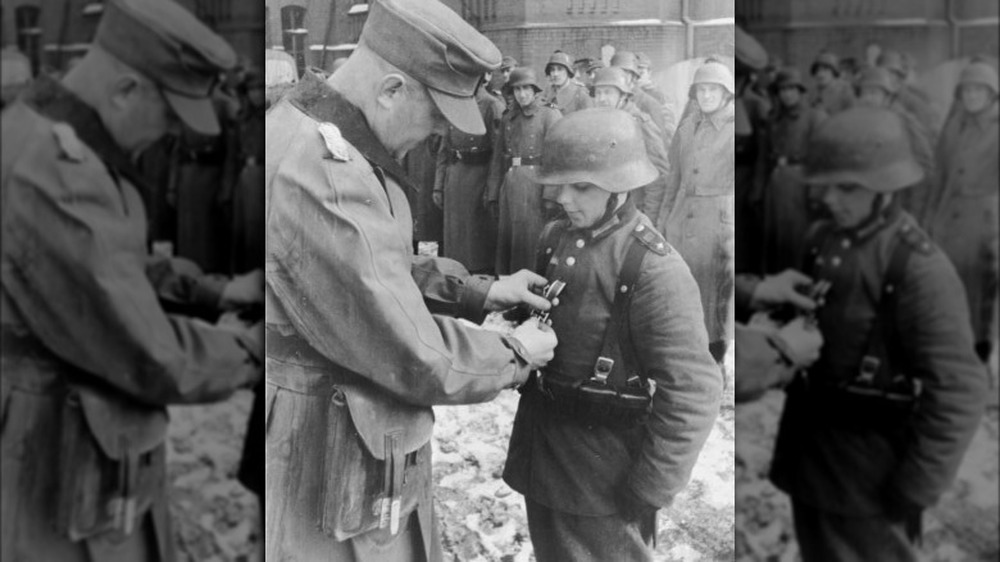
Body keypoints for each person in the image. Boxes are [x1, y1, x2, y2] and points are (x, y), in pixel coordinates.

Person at [263, 1, 559, 560]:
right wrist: (517, 351)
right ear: (392, 89)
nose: (434, 138)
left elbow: (364, 267)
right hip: (322, 444)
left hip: (333, 424)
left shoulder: (312, 132)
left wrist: (478, 290)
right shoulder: (326, 171)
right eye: (435, 119)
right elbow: (415, 352)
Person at [0, 0, 264, 560]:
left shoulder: (37, 133)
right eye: (169, 116)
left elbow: (94, 268)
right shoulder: (58, 172)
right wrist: (255, 348)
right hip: (51, 452)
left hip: (61, 434)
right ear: (124, 90)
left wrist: (212, 290)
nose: (169, 135)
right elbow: (151, 353)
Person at [768, 107, 988, 561]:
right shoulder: (822, 239)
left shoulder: (919, 269)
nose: (830, 198)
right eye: (824, 184)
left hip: (870, 477)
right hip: (811, 454)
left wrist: (917, 486)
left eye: (848, 187)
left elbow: (960, 389)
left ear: (887, 188)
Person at [505, 108, 723, 562]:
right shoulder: (555, 238)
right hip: (543, 454)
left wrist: (652, 486)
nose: (564, 197)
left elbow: (694, 390)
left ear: (622, 186)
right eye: (560, 183)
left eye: (582, 186)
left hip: (604, 480)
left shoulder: (653, 268)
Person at [656, 60, 736, 364]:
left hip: (719, 225)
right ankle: (686, 364)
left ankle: (714, 366)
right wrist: (663, 223)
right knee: (682, 294)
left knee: (715, 300)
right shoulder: (687, 127)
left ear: (726, 93)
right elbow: (672, 180)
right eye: (701, 90)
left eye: (713, 89)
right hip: (682, 220)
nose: (706, 95)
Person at [925, 61, 998, 363]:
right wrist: (930, 218)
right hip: (949, 216)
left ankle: (979, 350)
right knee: (947, 282)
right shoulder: (954, 125)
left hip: (985, 220)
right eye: (967, 90)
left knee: (980, 289)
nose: (972, 96)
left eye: (979, 90)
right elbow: (940, 174)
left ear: (992, 93)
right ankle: (951, 346)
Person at [486, 67, 562, 274]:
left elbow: (555, 158)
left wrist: (551, 195)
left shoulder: (549, 115)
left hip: (535, 188)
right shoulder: (508, 118)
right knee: (509, 243)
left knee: (530, 243)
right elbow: (498, 158)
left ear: (535, 90)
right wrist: (493, 193)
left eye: (526, 88)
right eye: (517, 89)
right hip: (510, 186)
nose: (522, 94)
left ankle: (530, 292)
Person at [433, 73, 506, 274]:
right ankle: (456, 279)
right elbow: (443, 149)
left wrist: (491, 190)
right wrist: (438, 185)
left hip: (478, 179)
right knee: (455, 240)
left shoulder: (492, 106)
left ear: (481, 78)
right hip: (454, 178)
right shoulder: (454, 103)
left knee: (477, 244)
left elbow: (498, 154)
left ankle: (479, 283)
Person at [759, 67, 827, 273]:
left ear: (800, 91)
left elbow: (821, 156)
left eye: (791, 89)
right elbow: (764, 156)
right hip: (776, 182)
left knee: (798, 237)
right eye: (782, 90)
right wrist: (759, 189)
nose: (787, 94)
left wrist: (816, 191)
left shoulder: (815, 117)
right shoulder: (774, 119)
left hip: (801, 182)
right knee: (774, 237)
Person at [854, 66, 936, 222]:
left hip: (901, 201)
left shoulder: (903, 122)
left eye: (874, 93)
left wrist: (914, 212)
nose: (868, 99)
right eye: (864, 93)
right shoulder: (866, 121)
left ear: (887, 97)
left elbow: (925, 166)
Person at [590, 66, 669, 223]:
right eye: (598, 93)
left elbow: (658, 178)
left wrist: (649, 220)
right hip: (605, 212)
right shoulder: (599, 123)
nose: (602, 98)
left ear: (623, 95)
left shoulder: (639, 124)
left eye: (608, 92)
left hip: (633, 213)